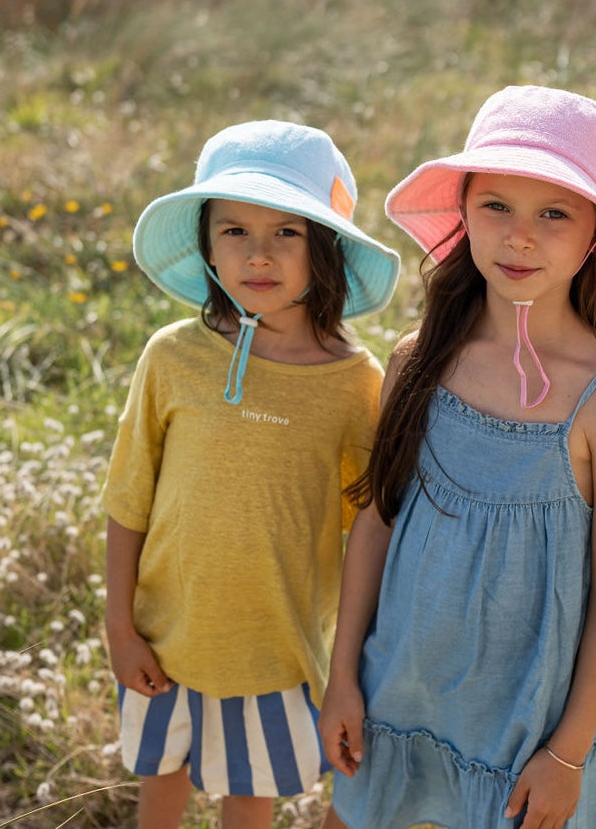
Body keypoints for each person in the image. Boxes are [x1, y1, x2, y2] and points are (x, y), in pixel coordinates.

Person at [319, 85, 596, 828]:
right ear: (463, 211)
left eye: (553, 212)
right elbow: (377, 521)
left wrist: (567, 754)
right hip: (400, 689)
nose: (519, 237)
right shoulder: (420, 357)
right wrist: (343, 675)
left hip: (530, 721)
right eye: (495, 205)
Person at [101, 120, 400, 829]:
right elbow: (127, 496)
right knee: (161, 775)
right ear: (206, 243)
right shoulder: (172, 355)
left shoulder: (356, 384)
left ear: (324, 249)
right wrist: (119, 623)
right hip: (161, 632)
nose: (258, 254)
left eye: (286, 233)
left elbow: (371, 530)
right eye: (233, 230)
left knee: (248, 795)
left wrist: (351, 663)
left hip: (277, 645)